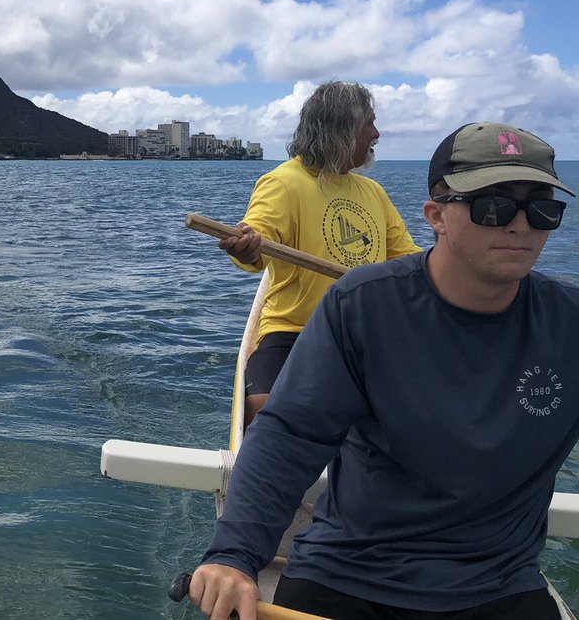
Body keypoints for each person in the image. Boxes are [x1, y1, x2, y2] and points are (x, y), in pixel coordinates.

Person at [189, 121, 579, 620]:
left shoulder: (568, 324)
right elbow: (291, 436)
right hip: (351, 573)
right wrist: (235, 555)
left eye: (543, 209)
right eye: (493, 206)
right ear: (436, 215)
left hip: (496, 584)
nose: (520, 226)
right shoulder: (361, 308)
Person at [219, 80, 420, 426]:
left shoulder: (372, 191)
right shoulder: (284, 182)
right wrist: (248, 248)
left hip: (365, 333)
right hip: (296, 330)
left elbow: (407, 260)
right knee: (263, 408)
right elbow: (256, 242)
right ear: (340, 129)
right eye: (368, 123)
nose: (377, 133)